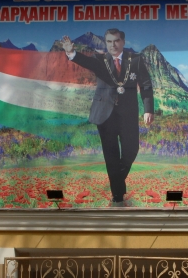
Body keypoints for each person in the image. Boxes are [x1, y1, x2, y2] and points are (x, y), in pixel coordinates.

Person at [62, 29, 155, 207]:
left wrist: (148, 109)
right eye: (109, 41)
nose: (113, 45)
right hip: (105, 115)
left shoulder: (135, 60)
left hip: (128, 114)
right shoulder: (100, 60)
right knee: (111, 156)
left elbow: (145, 84)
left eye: (116, 41)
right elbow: (85, 61)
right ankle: (117, 196)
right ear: (106, 43)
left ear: (123, 41)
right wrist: (71, 52)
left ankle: (117, 185)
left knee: (131, 150)